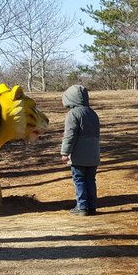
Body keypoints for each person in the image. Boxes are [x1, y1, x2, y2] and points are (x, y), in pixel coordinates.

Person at [60, 84, 101, 215]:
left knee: (79, 179)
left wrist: (65, 152)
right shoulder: (93, 113)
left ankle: (82, 207)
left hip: (79, 154)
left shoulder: (72, 114)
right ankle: (92, 207)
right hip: (94, 154)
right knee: (90, 180)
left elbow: (70, 135)